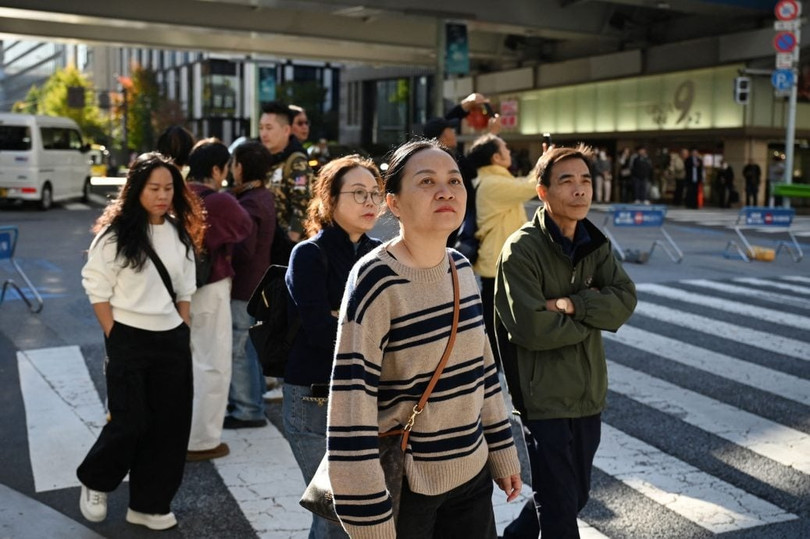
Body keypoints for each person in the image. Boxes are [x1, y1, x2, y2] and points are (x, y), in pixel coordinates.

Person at [327, 139, 522, 539]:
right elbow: (351, 401)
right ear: (393, 203)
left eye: (454, 180)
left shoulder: (462, 268)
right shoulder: (375, 280)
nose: (446, 190)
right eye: (427, 181)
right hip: (409, 485)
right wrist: (368, 513)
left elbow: (482, 371)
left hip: (472, 476)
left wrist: (503, 453)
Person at [496, 145, 637, 539]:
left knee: (573, 495)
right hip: (543, 398)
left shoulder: (595, 242)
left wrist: (570, 306)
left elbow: (624, 300)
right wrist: (592, 315)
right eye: (566, 181)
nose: (579, 190)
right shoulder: (521, 251)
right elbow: (531, 328)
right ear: (542, 191)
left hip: (587, 392)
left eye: (586, 181)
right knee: (559, 508)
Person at [77, 152, 205, 530]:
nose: (162, 195)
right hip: (128, 337)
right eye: (154, 188)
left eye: (168, 188)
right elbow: (96, 288)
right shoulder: (116, 235)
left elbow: (186, 286)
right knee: (130, 421)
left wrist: (181, 325)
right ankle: (95, 480)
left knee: (169, 428)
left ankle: (149, 505)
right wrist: (115, 335)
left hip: (171, 340)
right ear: (136, 190)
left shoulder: (179, 230)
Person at [284, 155, 385, 539]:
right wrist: (365, 327)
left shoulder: (381, 252)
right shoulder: (309, 254)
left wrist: (342, 316)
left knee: (357, 512)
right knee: (334, 512)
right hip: (314, 399)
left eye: (375, 193)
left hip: (368, 396)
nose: (370, 202)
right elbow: (320, 334)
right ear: (329, 199)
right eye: (358, 193)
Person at [185, 139, 252, 460]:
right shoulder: (220, 202)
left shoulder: (176, 194)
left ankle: (175, 431)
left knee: (180, 362)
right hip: (210, 285)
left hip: (174, 288)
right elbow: (244, 227)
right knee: (212, 362)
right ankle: (201, 440)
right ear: (216, 169)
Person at [465, 133, 536, 368]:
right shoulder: (494, 183)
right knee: (499, 321)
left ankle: (496, 362)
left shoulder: (494, 180)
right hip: (499, 262)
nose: (509, 151)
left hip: (498, 261)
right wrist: (546, 160)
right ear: (496, 157)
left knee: (499, 318)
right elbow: (531, 186)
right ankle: (494, 365)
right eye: (505, 147)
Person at [224, 141, 276, 429]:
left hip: (244, 287)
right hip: (259, 285)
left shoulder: (248, 203)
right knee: (250, 348)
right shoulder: (262, 196)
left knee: (240, 349)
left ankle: (247, 409)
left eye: (234, 163)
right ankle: (253, 402)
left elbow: (244, 250)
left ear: (240, 167)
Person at [423, 92, 500, 247]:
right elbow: (473, 164)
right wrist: (491, 135)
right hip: (457, 215)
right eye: (450, 130)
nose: (454, 132)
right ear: (443, 137)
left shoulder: (430, 155)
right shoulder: (445, 158)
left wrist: (463, 107)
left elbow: (436, 125)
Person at [260, 101, 314, 250]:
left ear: (286, 130)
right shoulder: (263, 159)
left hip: (285, 248)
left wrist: (290, 240)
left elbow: (303, 205)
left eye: (269, 128)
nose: (264, 133)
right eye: (261, 128)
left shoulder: (296, 161)